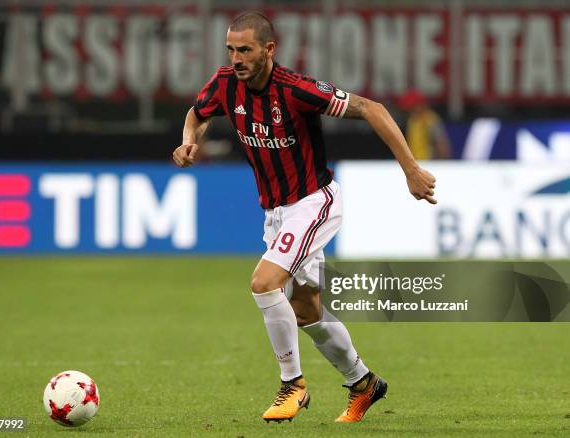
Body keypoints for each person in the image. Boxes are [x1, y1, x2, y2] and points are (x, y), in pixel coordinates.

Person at [173, 11, 437, 424]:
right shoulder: (225, 84)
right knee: (307, 313)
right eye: (231, 49)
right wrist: (190, 141)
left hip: (313, 202)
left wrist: (411, 170)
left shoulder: (297, 90)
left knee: (263, 284)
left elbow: (371, 107)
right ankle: (364, 383)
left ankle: (292, 385)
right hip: (276, 213)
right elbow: (199, 112)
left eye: (245, 49)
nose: (236, 58)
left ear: (268, 50)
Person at [398, 89, 452, 160]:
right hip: (415, 162)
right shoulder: (412, 120)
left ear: (420, 105)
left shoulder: (430, 120)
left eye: (412, 107)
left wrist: (442, 164)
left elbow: (441, 145)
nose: (410, 111)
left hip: (429, 163)